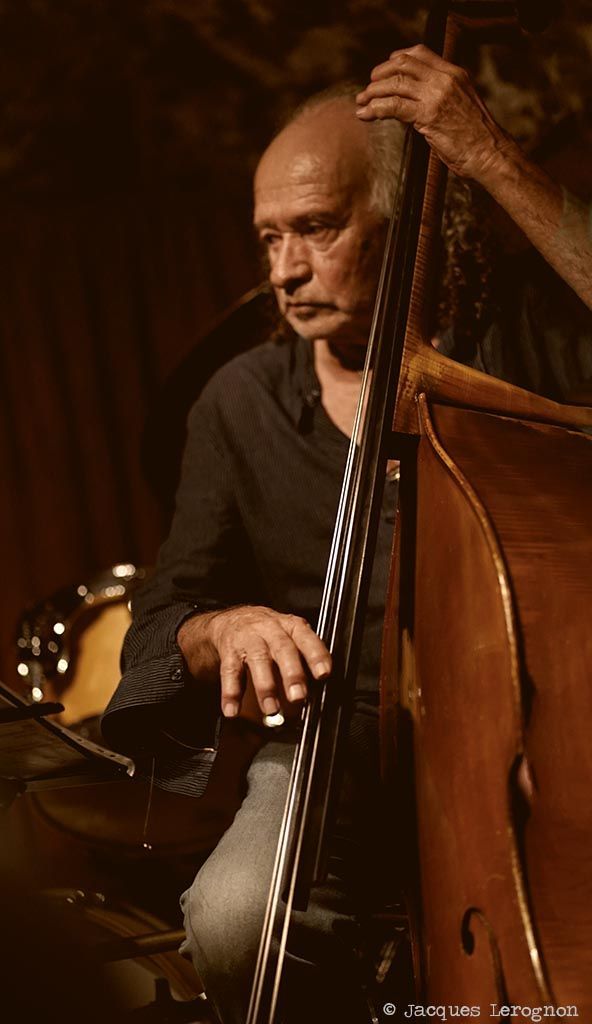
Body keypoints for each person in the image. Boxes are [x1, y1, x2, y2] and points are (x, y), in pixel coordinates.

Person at [102, 44, 592, 1024]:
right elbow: (160, 618)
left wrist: (490, 159)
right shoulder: (238, 403)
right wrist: (220, 628)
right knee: (234, 917)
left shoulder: (515, 340)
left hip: (547, 732)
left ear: (399, 219)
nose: (284, 272)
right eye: (268, 238)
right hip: (334, 748)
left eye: (316, 229)